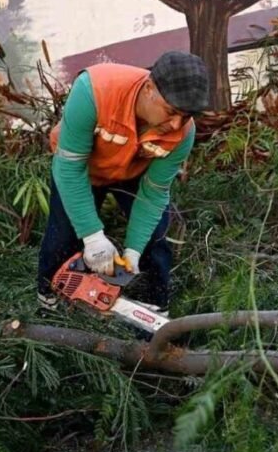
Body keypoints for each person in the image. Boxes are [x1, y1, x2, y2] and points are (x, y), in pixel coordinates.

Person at [36, 51, 210, 314]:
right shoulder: (94, 91)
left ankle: (154, 307)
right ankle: (48, 299)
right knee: (62, 237)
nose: (176, 124)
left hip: (132, 172)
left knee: (156, 236)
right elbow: (70, 168)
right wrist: (93, 237)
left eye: (185, 116)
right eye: (171, 112)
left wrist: (133, 252)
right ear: (149, 88)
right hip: (80, 170)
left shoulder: (184, 133)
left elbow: (154, 193)